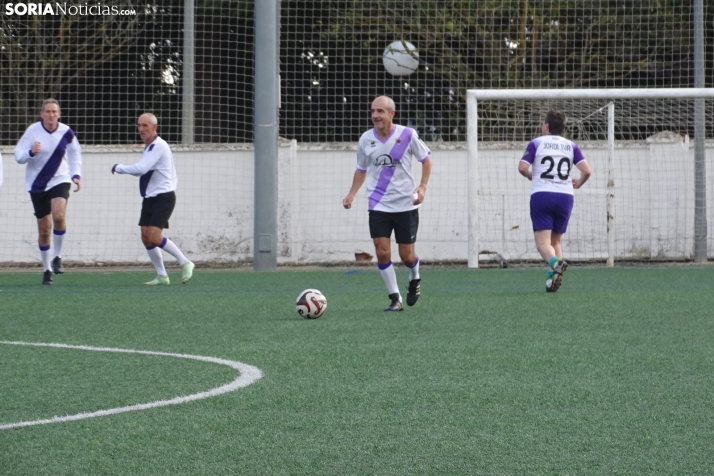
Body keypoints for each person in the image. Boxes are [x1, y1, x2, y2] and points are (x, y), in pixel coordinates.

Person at [343, 96, 432, 311]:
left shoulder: (407, 135)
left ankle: (415, 277)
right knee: (382, 251)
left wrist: (422, 187)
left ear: (392, 114)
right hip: (378, 204)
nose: (375, 115)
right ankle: (395, 298)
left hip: (405, 205)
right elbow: (361, 169)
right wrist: (351, 194)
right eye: (373, 111)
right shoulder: (366, 139)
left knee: (407, 256)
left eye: (380, 111)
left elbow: (426, 159)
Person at [112, 113, 194, 285]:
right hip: (151, 197)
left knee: (154, 237)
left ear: (154, 127)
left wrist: (118, 168)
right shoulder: (149, 147)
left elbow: (141, 169)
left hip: (163, 197)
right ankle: (162, 275)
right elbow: (146, 170)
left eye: (145, 126)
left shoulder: (159, 145)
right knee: (145, 236)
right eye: (139, 125)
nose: (141, 129)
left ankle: (185, 262)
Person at [518, 110, 592, 292]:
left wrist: (530, 175)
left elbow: (522, 167)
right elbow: (587, 171)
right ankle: (552, 281)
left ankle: (555, 264)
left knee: (543, 244)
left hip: (543, 194)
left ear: (546, 126)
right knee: (556, 241)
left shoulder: (536, 143)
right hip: (565, 196)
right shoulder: (571, 146)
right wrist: (579, 182)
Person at [15, 99, 82, 285]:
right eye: (48, 112)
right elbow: (18, 155)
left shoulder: (66, 132)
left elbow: (75, 153)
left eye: (54, 112)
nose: (51, 115)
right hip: (37, 185)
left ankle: (58, 257)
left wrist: (76, 174)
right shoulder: (32, 131)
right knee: (44, 230)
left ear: (59, 114)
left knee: (59, 215)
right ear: (41, 113)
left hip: (60, 179)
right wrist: (30, 152)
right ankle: (47, 270)